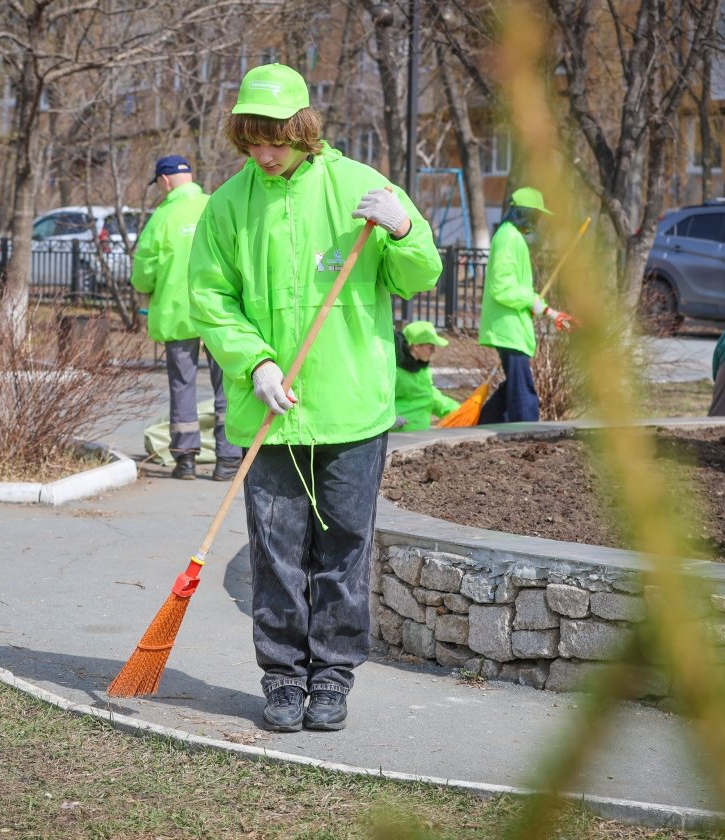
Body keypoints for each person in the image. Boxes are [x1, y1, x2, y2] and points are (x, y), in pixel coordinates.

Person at [190, 63, 442, 733]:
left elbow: (419, 275)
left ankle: (331, 677)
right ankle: (282, 678)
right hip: (270, 411)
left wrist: (403, 229)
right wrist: (256, 363)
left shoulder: (363, 187)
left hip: (352, 408)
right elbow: (210, 301)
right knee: (275, 554)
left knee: (344, 549)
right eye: (253, 141)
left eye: (276, 139)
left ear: (303, 129)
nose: (265, 154)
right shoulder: (225, 206)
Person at [131, 155, 242, 481]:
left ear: (164, 181)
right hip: (219, 313)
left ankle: (186, 461)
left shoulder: (162, 217)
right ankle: (228, 460)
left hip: (178, 315)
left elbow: (143, 274)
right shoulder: (217, 204)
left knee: (182, 385)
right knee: (228, 388)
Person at [476, 188, 574, 423]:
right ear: (526, 213)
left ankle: (483, 423)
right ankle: (527, 433)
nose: (539, 221)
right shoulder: (509, 238)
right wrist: (534, 303)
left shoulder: (509, 236)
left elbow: (510, 289)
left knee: (515, 385)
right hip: (509, 328)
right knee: (523, 393)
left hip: (511, 325)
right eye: (537, 215)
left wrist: (543, 309)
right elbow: (501, 286)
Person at [393, 320, 460, 431]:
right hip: (399, 437)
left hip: (418, 435)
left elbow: (430, 396)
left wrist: (459, 411)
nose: (434, 351)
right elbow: (380, 398)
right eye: (430, 347)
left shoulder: (422, 370)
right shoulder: (396, 372)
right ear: (416, 347)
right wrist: (390, 419)